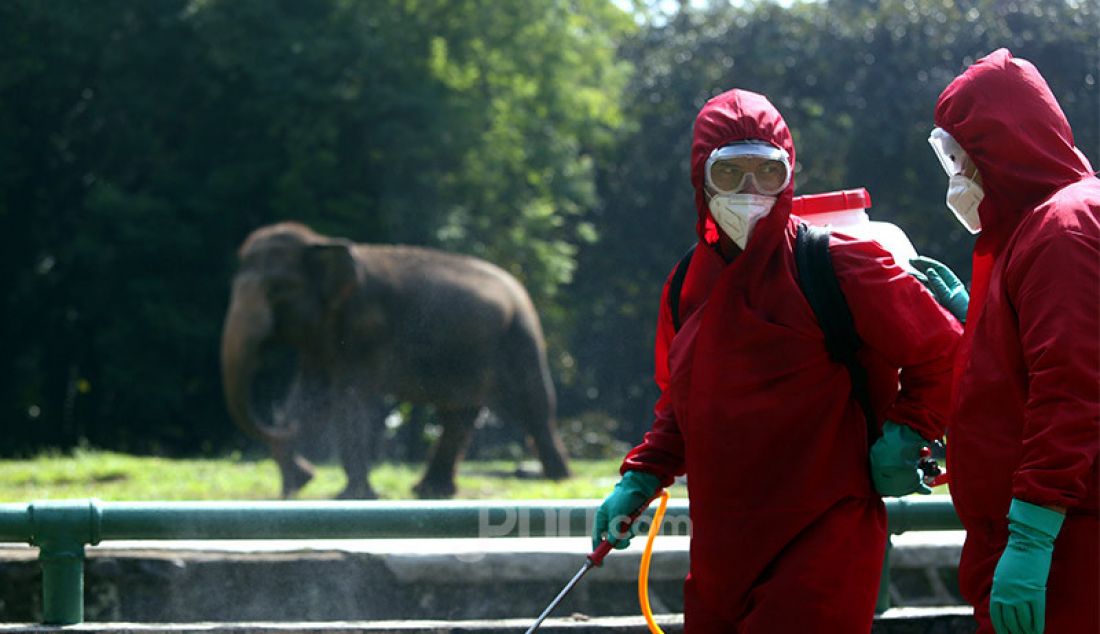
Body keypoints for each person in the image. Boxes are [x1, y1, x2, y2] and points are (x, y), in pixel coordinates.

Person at [592, 88, 962, 632]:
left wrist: (909, 432)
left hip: (825, 541)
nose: (749, 193)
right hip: (721, 555)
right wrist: (643, 474)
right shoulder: (685, 286)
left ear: (790, 176)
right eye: (730, 173)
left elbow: (948, 352)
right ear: (701, 178)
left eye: (767, 173)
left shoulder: (837, 265)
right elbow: (683, 402)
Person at [911, 48, 1099, 634]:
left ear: (1000, 146)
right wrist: (980, 321)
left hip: (1072, 544)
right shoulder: (1044, 224)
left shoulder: (1062, 230)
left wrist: (1033, 533)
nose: (960, 175)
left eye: (962, 157)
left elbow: (1073, 386)